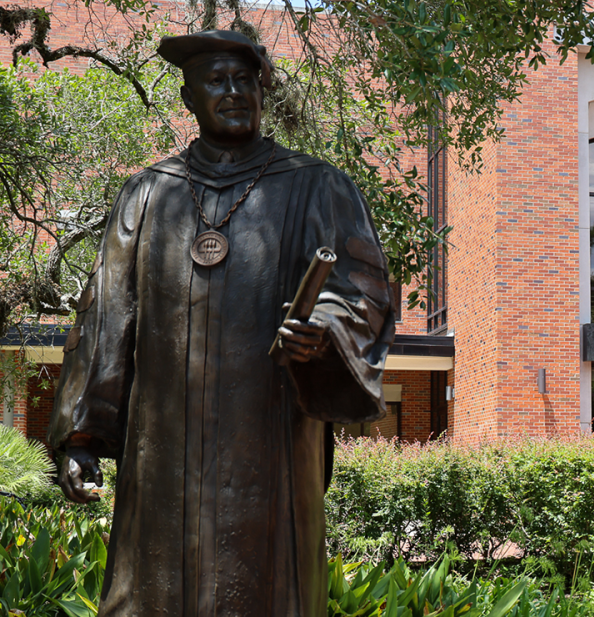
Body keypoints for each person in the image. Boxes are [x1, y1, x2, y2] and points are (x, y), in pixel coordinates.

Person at [49, 30, 395, 616]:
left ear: (261, 91)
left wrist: (323, 331)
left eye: (244, 80)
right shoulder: (148, 195)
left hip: (272, 443)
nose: (233, 91)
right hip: (161, 455)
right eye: (216, 81)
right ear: (189, 98)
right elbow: (106, 319)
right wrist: (81, 436)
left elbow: (363, 292)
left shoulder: (318, 186)